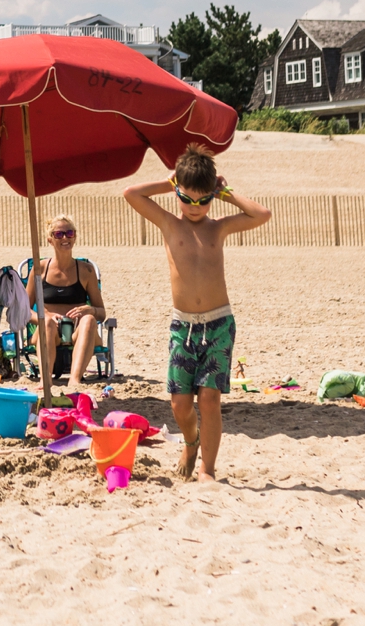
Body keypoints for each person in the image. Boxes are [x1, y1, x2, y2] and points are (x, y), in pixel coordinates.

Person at [124, 145, 271, 483]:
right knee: (179, 404)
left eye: (202, 200)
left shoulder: (217, 228)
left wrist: (226, 193)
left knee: (209, 398)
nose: (194, 207)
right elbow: (131, 193)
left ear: (212, 197)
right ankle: (191, 443)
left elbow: (262, 214)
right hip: (183, 328)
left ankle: (208, 468)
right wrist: (169, 183)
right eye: (187, 199)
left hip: (219, 324)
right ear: (178, 193)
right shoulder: (169, 224)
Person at [26, 214, 107, 387]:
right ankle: (45, 378)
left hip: (79, 331)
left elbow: (101, 312)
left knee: (89, 320)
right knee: (46, 323)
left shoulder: (86, 270)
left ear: (75, 236)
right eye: (59, 234)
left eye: (69, 233)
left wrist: (89, 310)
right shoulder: (39, 269)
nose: (65, 238)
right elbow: (24, 311)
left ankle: (74, 379)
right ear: (50, 240)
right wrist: (44, 316)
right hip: (50, 332)